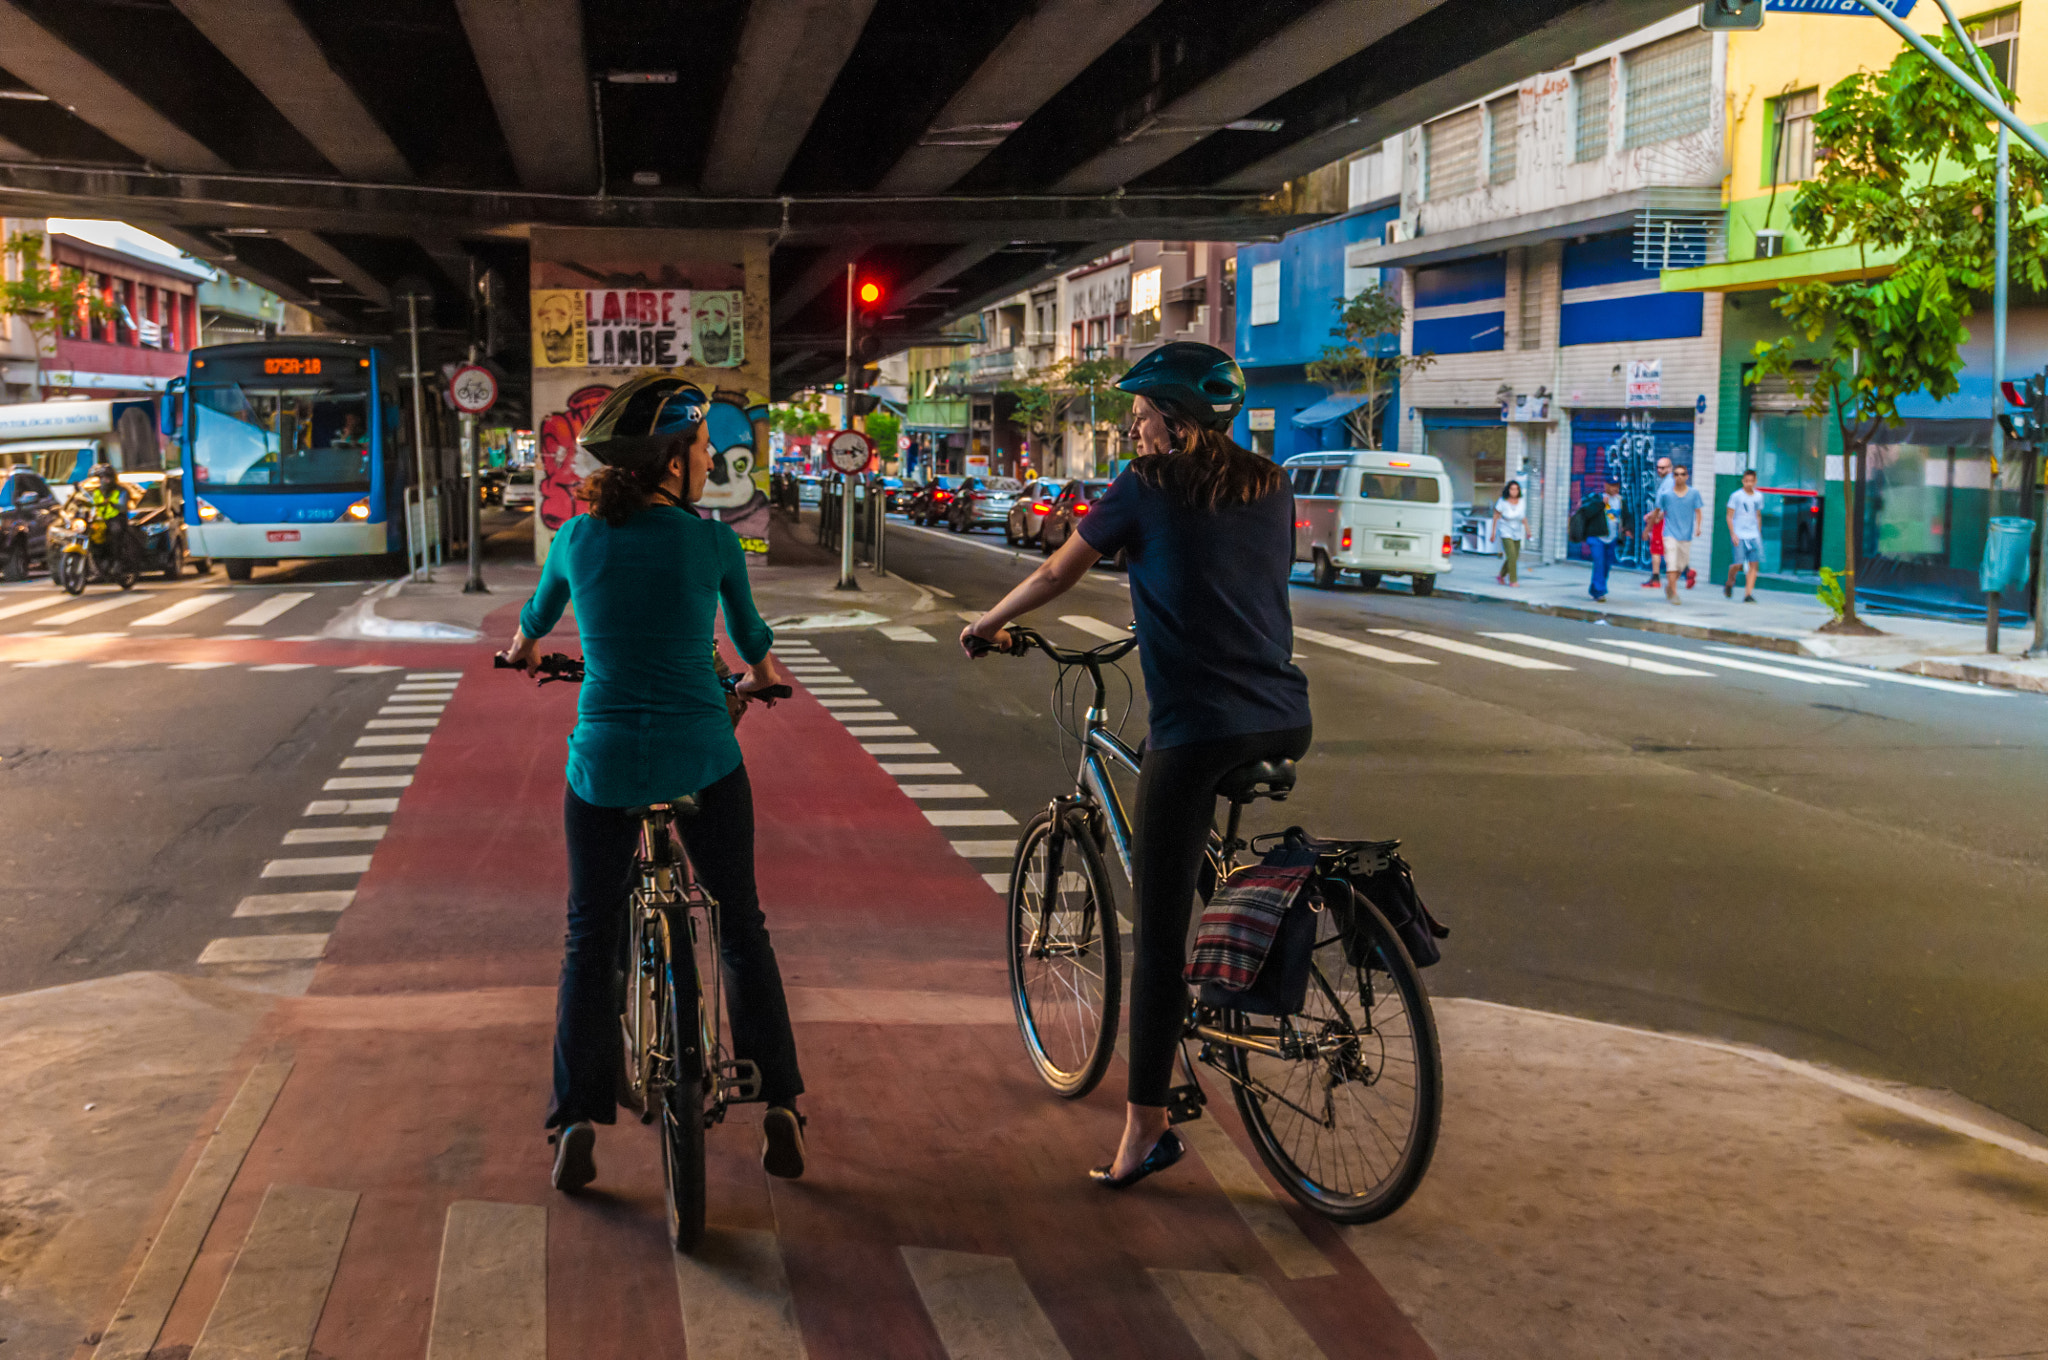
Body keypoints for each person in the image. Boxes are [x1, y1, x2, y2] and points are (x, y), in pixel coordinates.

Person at [959, 342, 1311, 1189]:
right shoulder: (1272, 484)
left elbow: (1055, 571)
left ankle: (1143, 1133)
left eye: (1143, 415)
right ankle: (1234, 957)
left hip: (1200, 728)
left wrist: (984, 623)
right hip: (1284, 716)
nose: (1135, 428)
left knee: (1155, 936)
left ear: (1176, 420)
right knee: (1196, 867)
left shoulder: (1144, 488)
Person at [498, 374, 807, 1193]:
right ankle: (778, 1101)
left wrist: (524, 652)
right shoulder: (710, 544)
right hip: (703, 757)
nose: (709, 460)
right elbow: (750, 641)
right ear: (672, 461)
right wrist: (764, 678)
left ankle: (573, 1119)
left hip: (601, 767)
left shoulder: (577, 539)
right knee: (740, 921)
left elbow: (532, 624)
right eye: (703, 448)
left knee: (588, 936)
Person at [1657, 463, 1705, 605]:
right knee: (1671, 563)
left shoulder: (1694, 493)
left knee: (1681, 566)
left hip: (1686, 535)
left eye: (1682, 474)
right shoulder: (1667, 495)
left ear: (1687, 476)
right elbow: (1658, 510)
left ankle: (1669, 586)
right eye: (1676, 474)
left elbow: (1698, 511)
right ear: (1673, 476)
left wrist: (1698, 527)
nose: (1679, 477)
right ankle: (1674, 593)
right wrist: (1649, 528)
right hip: (1669, 534)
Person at [83, 461, 138, 574]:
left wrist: (111, 503)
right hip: (99, 520)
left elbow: (122, 506)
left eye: (106, 477)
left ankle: (117, 561)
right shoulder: (96, 492)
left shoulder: (121, 491)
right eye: (102, 478)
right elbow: (87, 501)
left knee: (115, 532)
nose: (104, 480)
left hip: (116, 519)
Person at [1725, 468, 1765, 602]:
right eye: (1746, 481)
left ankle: (1748, 594)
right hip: (1739, 534)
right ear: (1743, 481)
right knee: (1738, 563)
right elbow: (1729, 516)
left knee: (1754, 564)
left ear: (1755, 481)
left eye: (1751, 481)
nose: (1748, 484)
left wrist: (1758, 533)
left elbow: (1758, 515)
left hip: (1753, 534)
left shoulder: (1758, 497)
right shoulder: (1736, 496)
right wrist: (1733, 533)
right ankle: (1730, 581)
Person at [1587, 476, 1627, 602]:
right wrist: (1600, 505)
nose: (1615, 488)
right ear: (1606, 486)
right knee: (1599, 563)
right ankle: (1599, 591)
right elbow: (1588, 513)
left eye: (1617, 486)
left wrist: (1627, 529)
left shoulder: (1620, 501)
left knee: (1606, 565)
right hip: (1597, 538)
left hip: (1612, 538)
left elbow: (1626, 517)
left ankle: (1595, 589)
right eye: (1612, 485)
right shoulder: (1597, 498)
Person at [1492, 480, 1526, 585]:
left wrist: (1528, 531)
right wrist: (1493, 533)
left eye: (1516, 489)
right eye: (1512, 489)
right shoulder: (1502, 501)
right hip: (1505, 529)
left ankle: (1501, 575)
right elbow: (1496, 516)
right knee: (1511, 555)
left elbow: (1524, 518)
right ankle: (1513, 580)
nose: (1514, 491)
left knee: (1514, 556)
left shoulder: (1521, 501)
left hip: (1517, 530)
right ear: (1508, 490)